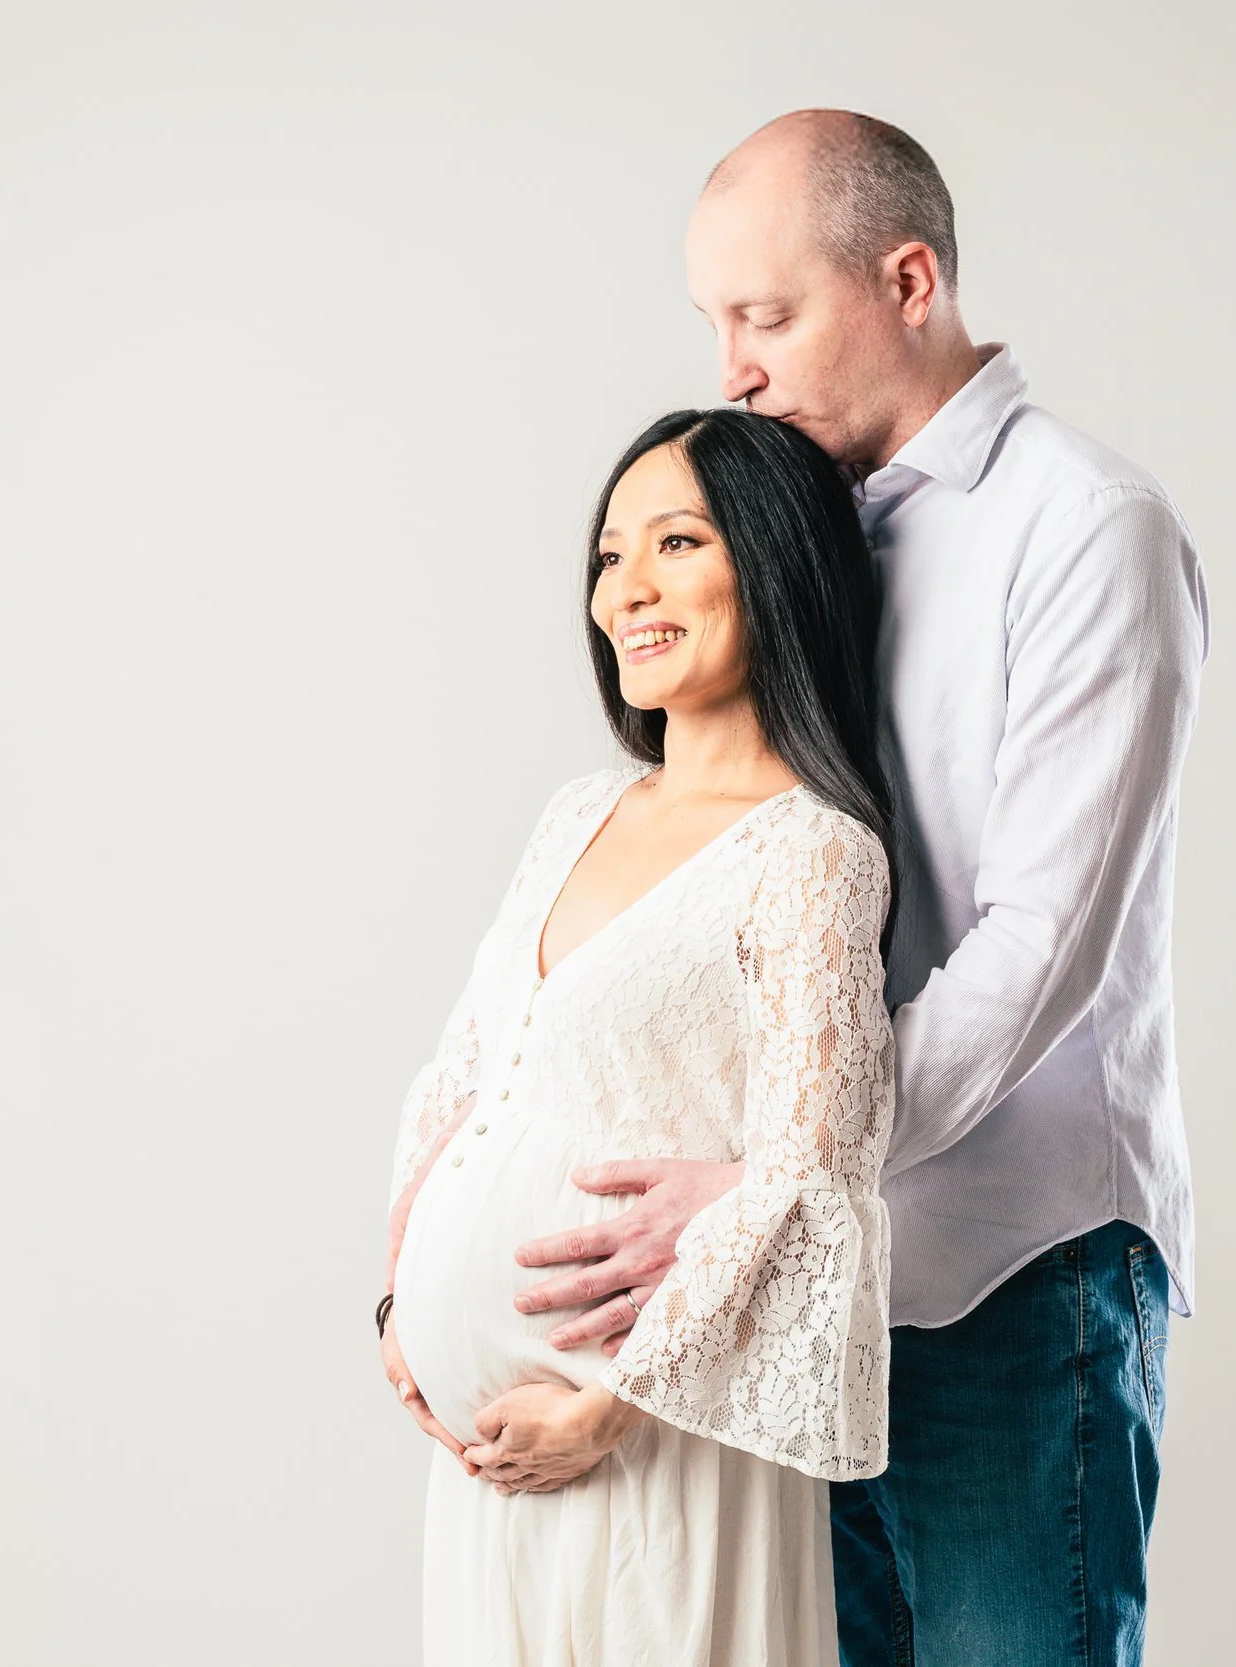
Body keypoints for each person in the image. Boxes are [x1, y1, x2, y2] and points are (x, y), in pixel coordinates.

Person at [506, 112, 1209, 1664]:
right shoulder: (805, 528)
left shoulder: (1086, 531)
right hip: (798, 1286)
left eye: (766, 316)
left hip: (1012, 1269)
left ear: (909, 280)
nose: (733, 365)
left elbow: (1041, 949)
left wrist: (778, 1173)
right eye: (714, 324)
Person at [378, 406, 899, 1665]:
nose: (628, 590)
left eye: (676, 543)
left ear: (773, 563)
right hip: (489, 1462)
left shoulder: (812, 852)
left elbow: (814, 1181)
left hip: (655, 1446)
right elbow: (463, 1070)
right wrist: (397, 1308)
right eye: (611, 555)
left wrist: (607, 1411)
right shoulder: (581, 810)